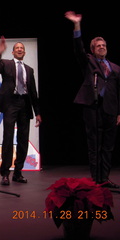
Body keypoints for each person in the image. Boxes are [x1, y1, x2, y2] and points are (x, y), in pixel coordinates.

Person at [65, 11, 120, 188]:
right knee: (94, 145)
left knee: (108, 147)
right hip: (92, 107)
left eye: (104, 45)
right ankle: (96, 180)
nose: (102, 47)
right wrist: (76, 25)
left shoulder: (116, 68)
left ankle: (104, 178)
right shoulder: (88, 61)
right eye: (98, 46)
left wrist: (119, 112)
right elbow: (77, 47)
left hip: (111, 110)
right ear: (93, 49)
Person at [0, 37, 41, 185]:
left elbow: (33, 93)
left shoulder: (29, 70)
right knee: (7, 137)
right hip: (10, 104)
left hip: (24, 104)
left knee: (23, 140)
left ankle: (18, 172)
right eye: (17, 48)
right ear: (13, 52)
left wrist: (37, 112)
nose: (20, 49)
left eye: (22, 48)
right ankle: (5, 173)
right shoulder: (6, 64)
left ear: (24, 52)